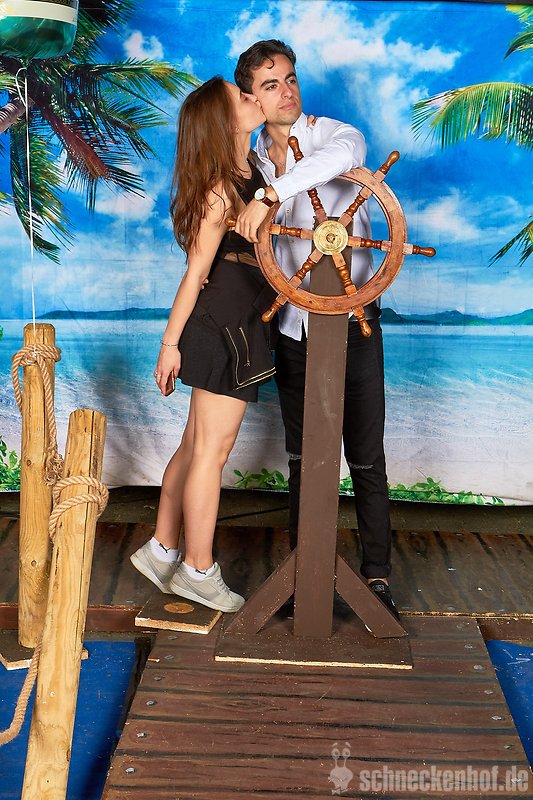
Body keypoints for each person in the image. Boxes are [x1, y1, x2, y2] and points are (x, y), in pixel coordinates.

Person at [234, 40, 399, 619]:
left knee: (367, 458)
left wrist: (270, 194)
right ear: (251, 99)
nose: (286, 91)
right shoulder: (251, 159)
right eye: (270, 84)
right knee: (303, 459)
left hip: (355, 323)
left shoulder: (335, 135)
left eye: (290, 79)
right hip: (292, 327)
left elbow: (342, 158)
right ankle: (304, 573)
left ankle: (377, 576)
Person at [130, 77, 276, 613]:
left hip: (235, 324)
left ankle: (161, 549)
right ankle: (197, 569)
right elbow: (195, 274)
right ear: (223, 121)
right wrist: (169, 345)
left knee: (195, 448)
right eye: (242, 97)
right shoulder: (219, 190)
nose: (252, 97)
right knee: (210, 456)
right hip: (222, 329)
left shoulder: (253, 170)